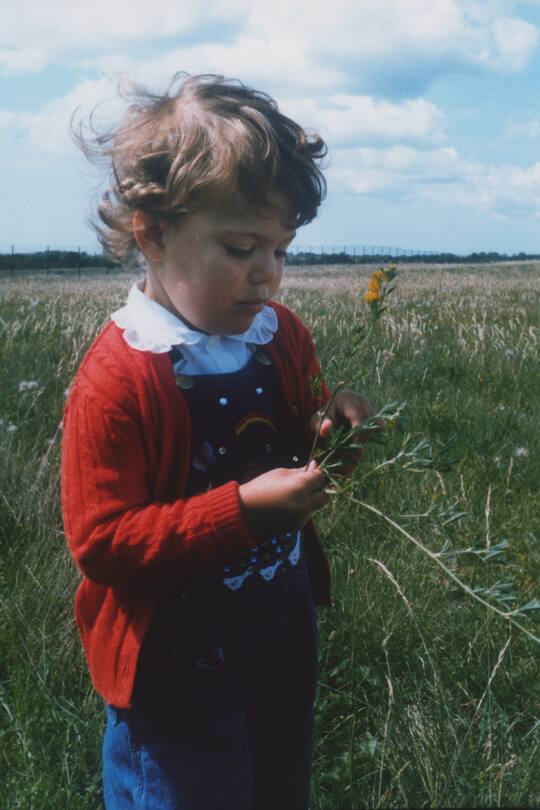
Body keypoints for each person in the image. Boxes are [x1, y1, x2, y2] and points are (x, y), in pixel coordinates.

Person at [62, 72, 377, 810]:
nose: (268, 275)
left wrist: (335, 430)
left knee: (275, 785)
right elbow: (103, 543)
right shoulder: (120, 376)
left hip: (277, 632)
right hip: (172, 670)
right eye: (242, 247)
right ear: (154, 232)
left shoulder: (278, 336)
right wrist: (244, 513)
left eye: (282, 249)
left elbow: (303, 439)